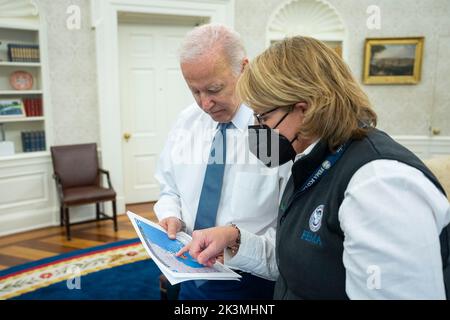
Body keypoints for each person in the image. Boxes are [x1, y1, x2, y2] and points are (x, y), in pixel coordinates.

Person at [178, 36, 450, 299]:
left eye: (264, 117)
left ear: (305, 109)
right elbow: (300, 260)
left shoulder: (381, 185)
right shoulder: (312, 160)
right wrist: (235, 239)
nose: (258, 130)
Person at [153, 24, 291, 300]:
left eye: (214, 89)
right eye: (195, 91)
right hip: (190, 272)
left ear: (244, 69)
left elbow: (290, 232)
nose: (205, 104)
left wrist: (238, 245)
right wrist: (171, 214)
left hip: (254, 280)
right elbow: (169, 188)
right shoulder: (186, 122)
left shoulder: (275, 131)